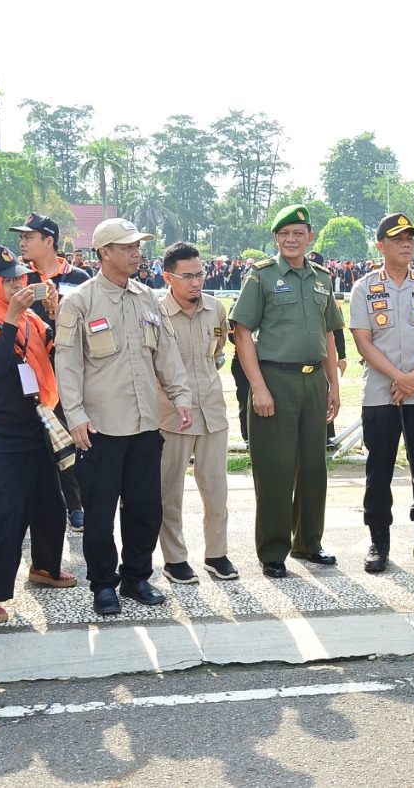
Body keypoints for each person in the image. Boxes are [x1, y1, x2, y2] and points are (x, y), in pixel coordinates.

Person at [56, 219, 193, 615]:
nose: (137, 253)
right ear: (104, 253)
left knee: (145, 507)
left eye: (138, 246)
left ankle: (136, 577)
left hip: (146, 424)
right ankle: (103, 584)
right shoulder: (79, 301)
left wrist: (179, 396)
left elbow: (166, 353)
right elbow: (67, 363)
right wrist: (76, 416)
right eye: (127, 247)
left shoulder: (147, 298)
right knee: (98, 514)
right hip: (99, 427)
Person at [0, 247, 77, 622]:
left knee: (49, 504)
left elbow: (56, 353)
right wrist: (10, 319)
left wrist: (55, 314)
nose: (16, 285)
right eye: (7, 280)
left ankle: (43, 567)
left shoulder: (31, 320)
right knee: (4, 513)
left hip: (34, 424)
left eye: (19, 278)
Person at [230, 205, 342, 578]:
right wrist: (258, 388)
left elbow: (329, 334)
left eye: (298, 233)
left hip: (313, 381)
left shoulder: (322, 278)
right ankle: (273, 550)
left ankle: (309, 542)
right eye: (284, 234)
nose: (291, 240)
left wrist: (333, 387)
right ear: (276, 239)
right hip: (274, 380)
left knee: (314, 467)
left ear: (310, 236)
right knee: (275, 469)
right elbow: (242, 332)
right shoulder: (261, 277)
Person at [349, 214, 414, 573]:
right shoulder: (364, 287)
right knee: (380, 470)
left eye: (410, 238)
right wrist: (397, 376)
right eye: (397, 239)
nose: (407, 244)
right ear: (380, 246)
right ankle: (379, 542)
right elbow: (362, 342)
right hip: (380, 390)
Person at [154, 242, 237, 584]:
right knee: (169, 493)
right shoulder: (155, 313)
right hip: (171, 415)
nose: (195, 282)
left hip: (212, 411)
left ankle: (216, 554)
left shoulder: (216, 309)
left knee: (217, 491)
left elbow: (217, 351)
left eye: (199, 274)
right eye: (186, 276)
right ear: (168, 277)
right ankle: (175, 559)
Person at [9, 213, 92, 531]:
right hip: (29, 374)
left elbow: (88, 327)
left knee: (71, 438)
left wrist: (58, 312)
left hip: (69, 374)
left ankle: (76, 504)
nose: (22, 242)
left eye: (29, 237)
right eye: (21, 237)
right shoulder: (18, 278)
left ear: (49, 241)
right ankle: (38, 506)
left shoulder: (79, 276)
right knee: (33, 440)